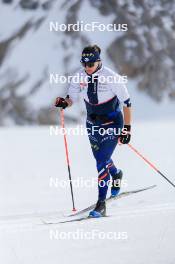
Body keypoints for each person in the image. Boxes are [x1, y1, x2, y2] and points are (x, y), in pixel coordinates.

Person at [55, 44, 132, 218]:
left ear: (99, 61)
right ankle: (116, 174)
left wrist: (127, 129)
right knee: (101, 159)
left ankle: (101, 204)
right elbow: (72, 98)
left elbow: (127, 103)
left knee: (101, 161)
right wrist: (64, 103)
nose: (87, 68)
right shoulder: (79, 76)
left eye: (91, 64)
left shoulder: (111, 77)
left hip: (113, 123)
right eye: (84, 64)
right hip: (92, 124)